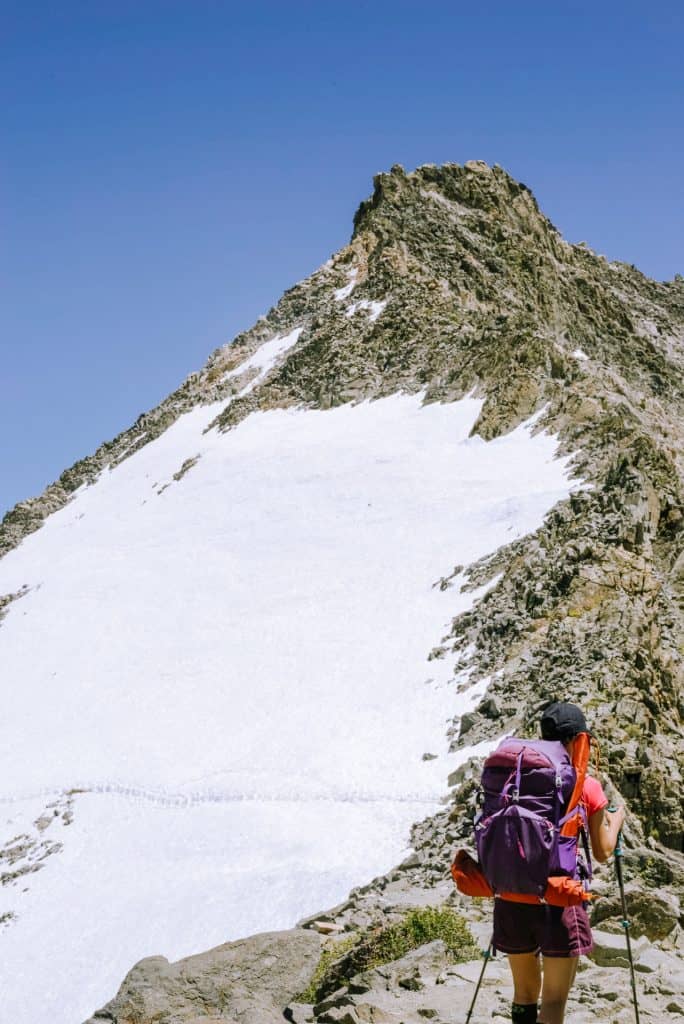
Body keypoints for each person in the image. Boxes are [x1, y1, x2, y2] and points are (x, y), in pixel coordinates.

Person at [492, 701, 625, 1024]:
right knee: (553, 1001)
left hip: (512, 896)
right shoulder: (585, 785)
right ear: (578, 740)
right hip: (558, 898)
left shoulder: (517, 780)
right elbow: (603, 851)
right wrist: (617, 817)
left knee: (524, 993)